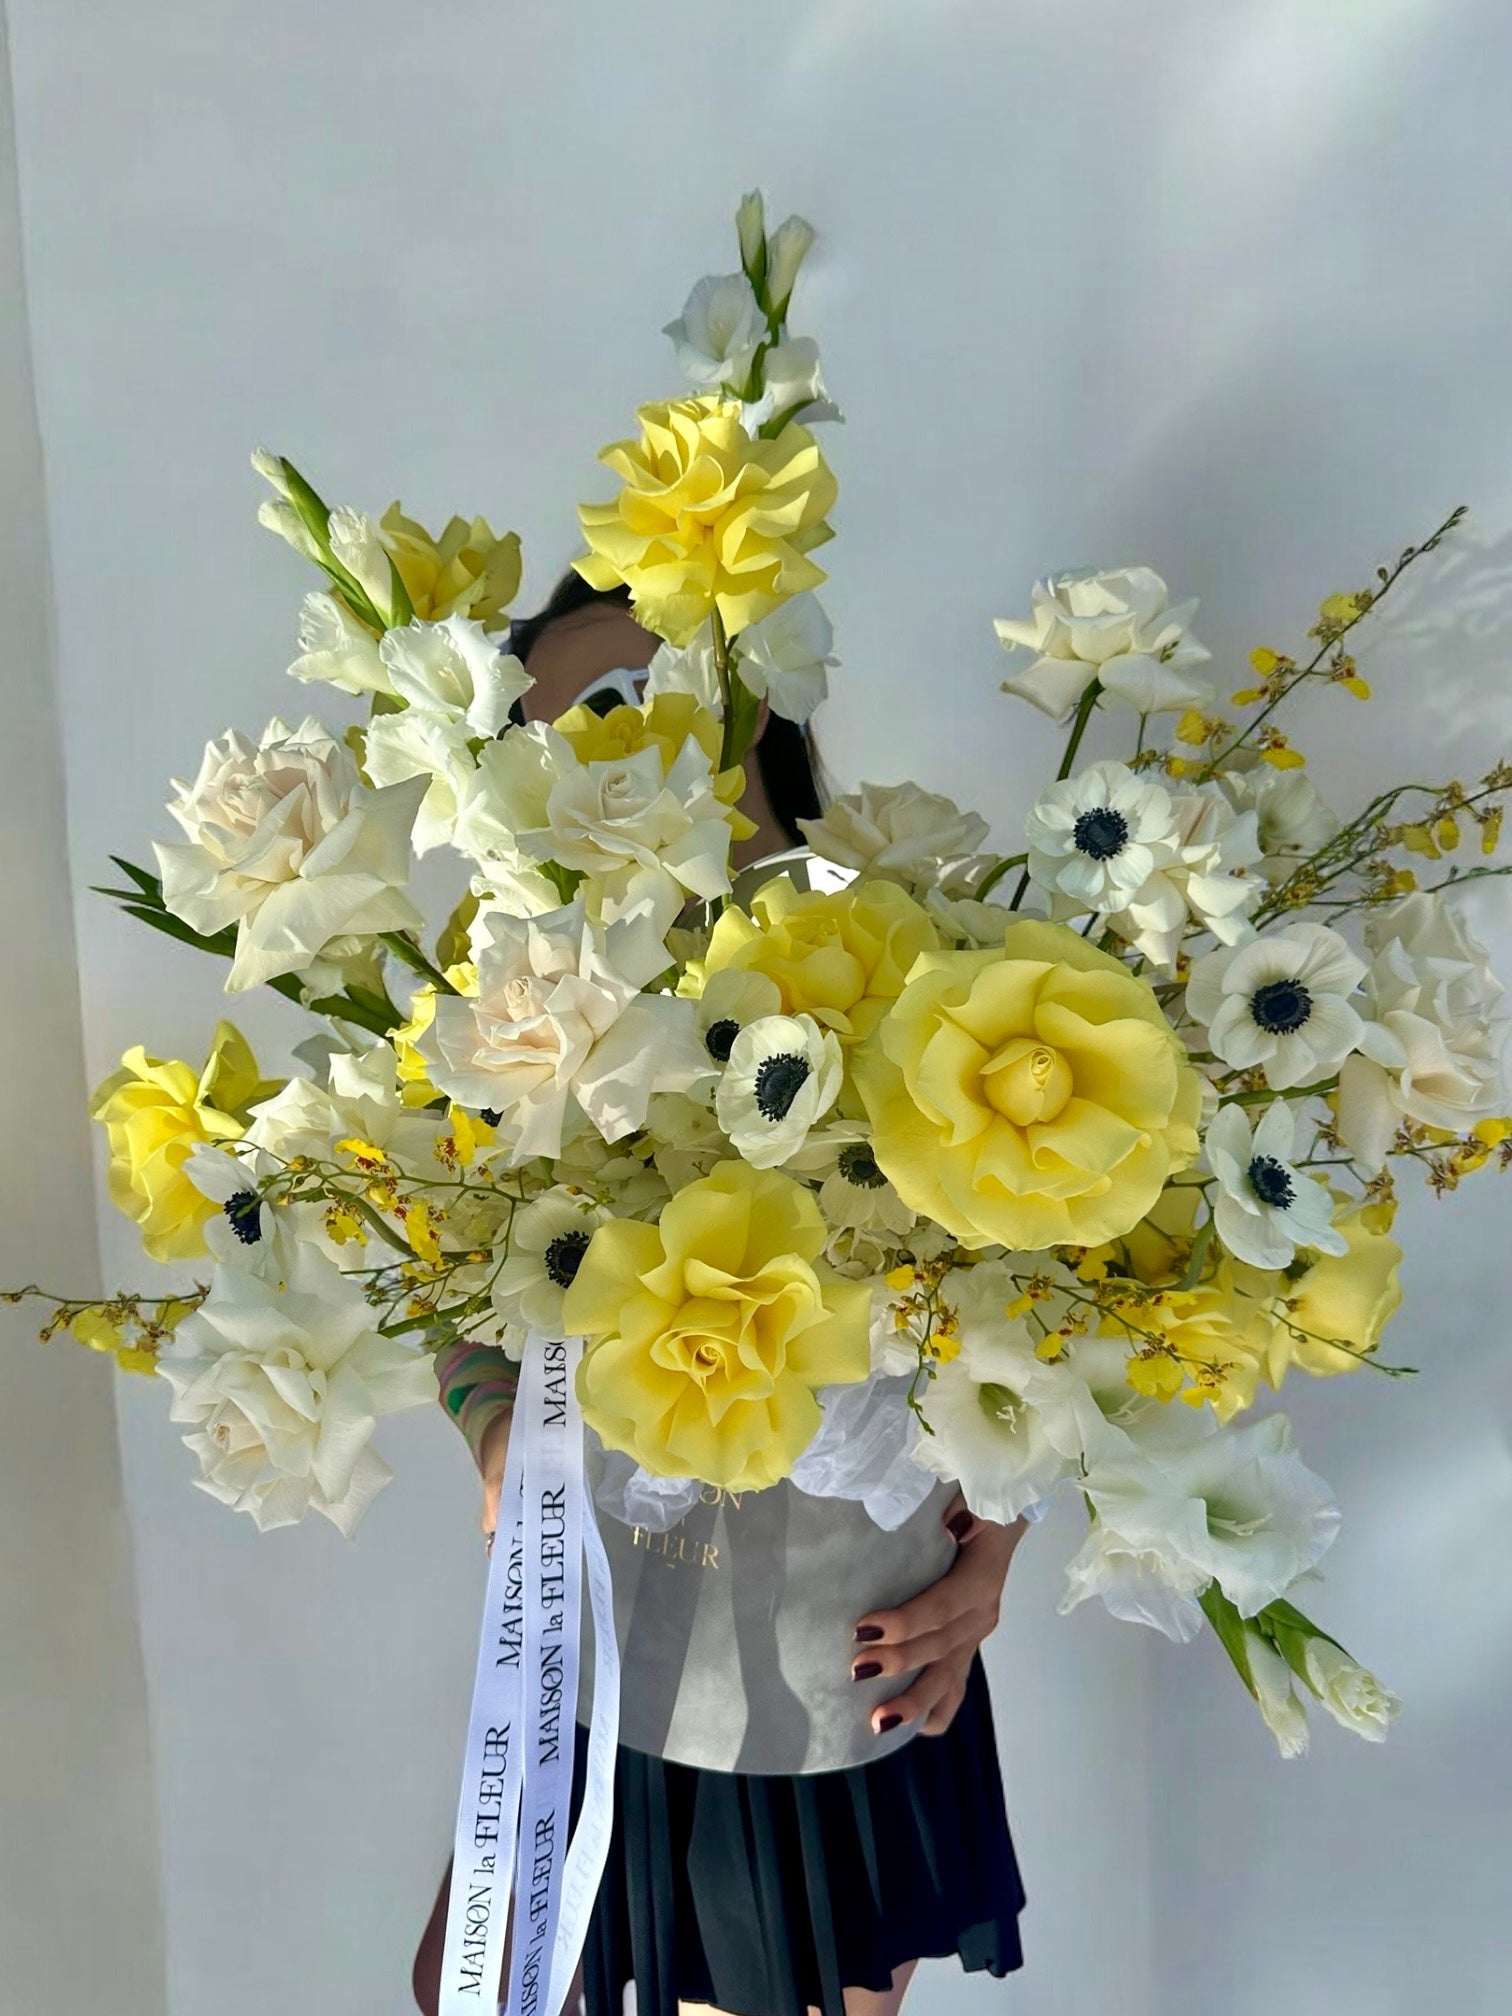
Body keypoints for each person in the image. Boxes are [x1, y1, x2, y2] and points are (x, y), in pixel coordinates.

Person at [413, 579, 1030, 2016]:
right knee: (470, 1986)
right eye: (567, 730)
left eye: (658, 700)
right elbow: (429, 1281)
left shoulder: (918, 984)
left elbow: (1058, 1310)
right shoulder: (500, 1021)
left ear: (764, 724)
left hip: (835, 1675)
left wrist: (990, 1564)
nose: (627, 755)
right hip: (604, 1661)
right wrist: (495, 1425)